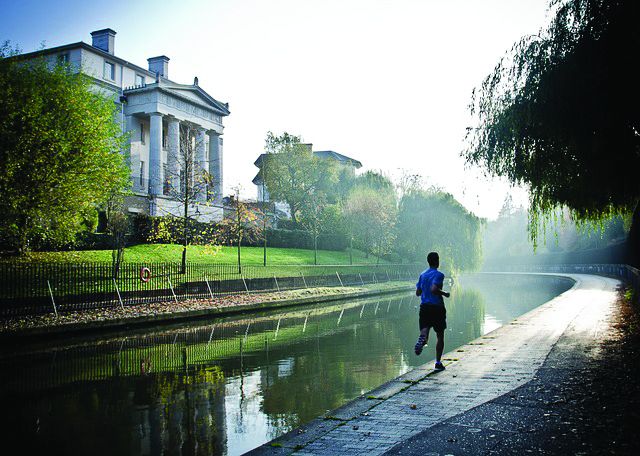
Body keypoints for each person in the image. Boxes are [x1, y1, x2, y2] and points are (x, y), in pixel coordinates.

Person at [414, 251, 450, 370]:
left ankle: (422, 339)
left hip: (424, 307)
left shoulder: (422, 274)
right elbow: (434, 289)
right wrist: (444, 293)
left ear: (428, 261)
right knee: (440, 336)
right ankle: (438, 363)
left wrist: (425, 289)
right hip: (437, 308)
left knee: (424, 332)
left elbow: (418, 293)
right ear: (437, 261)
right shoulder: (439, 275)